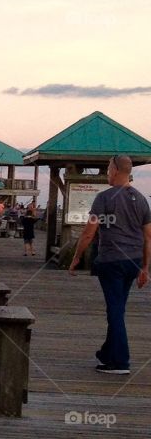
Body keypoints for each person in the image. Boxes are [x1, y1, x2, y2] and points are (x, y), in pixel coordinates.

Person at [69, 154, 151, 374]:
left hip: (112, 261)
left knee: (114, 310)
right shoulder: (142, 199)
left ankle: (121, 362)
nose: (106, 172)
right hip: (133, 261)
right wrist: (145, 268)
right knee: (118, 308)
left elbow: (89, 232)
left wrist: (77, 256)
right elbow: (148, 236)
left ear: (115, 170)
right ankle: (107, 355)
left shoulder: (104, 198)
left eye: (107, 168)